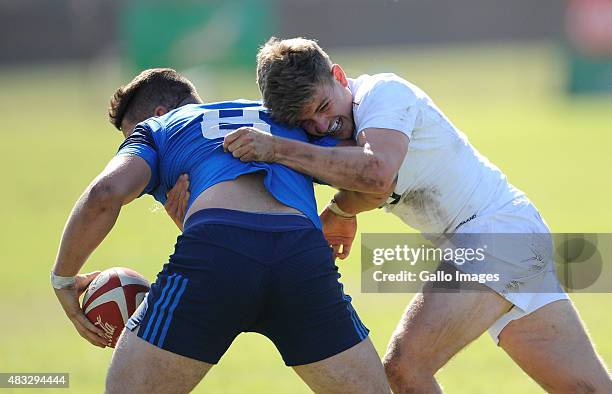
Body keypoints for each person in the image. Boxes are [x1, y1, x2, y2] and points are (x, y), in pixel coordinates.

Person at [221, 37, 612, 393]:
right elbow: (376, 188)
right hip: (510, 236)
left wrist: (276, 149)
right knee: (587, 388)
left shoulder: (383, 92)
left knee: (405, 370)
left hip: (495, 234)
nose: (322, 125)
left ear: (339, 76)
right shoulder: (336, 131)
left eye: (323, 107)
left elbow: (377, 173)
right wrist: (341, 209)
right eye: (306, 122)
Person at [51, 68, 390, 393]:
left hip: (215, 252)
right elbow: (373, 176)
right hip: (301, 257)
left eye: (128, 138)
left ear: (157, 112)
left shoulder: (157, 128)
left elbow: (104, 194)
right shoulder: (283, 117)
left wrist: (64, 279)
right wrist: (342, 211)